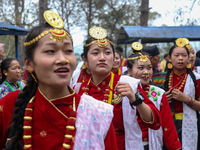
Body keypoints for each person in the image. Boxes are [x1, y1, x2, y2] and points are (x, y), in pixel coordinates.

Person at [0, 10, 117, 150]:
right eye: (50, 51)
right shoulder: (9, 104)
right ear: (29, 63)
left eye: (68, 51)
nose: (63, 59)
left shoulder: (98, 114)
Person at [75, 27, 161, 150]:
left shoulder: (128, 84)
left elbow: (155, 122)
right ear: (85, 60)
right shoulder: (78, 90)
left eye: (107, 52)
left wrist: (135, 98)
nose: (102, 57)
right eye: (95, 53)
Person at [127, 42, 181, 150]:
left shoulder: (159, 94)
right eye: (141, 68)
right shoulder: (121, 92)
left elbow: (167, 126)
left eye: (149, 67)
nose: (146, 72)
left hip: (151, 144)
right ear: (129, 71)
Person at [164, 38, 200, 150]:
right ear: (169, 58)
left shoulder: (196, 79)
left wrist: (186, 99)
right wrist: (162, 100)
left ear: (189, 58)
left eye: (184, 55)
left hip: (192, 124)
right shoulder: (160, 80)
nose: (180, 58)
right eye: (176, 55)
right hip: (168, 125)